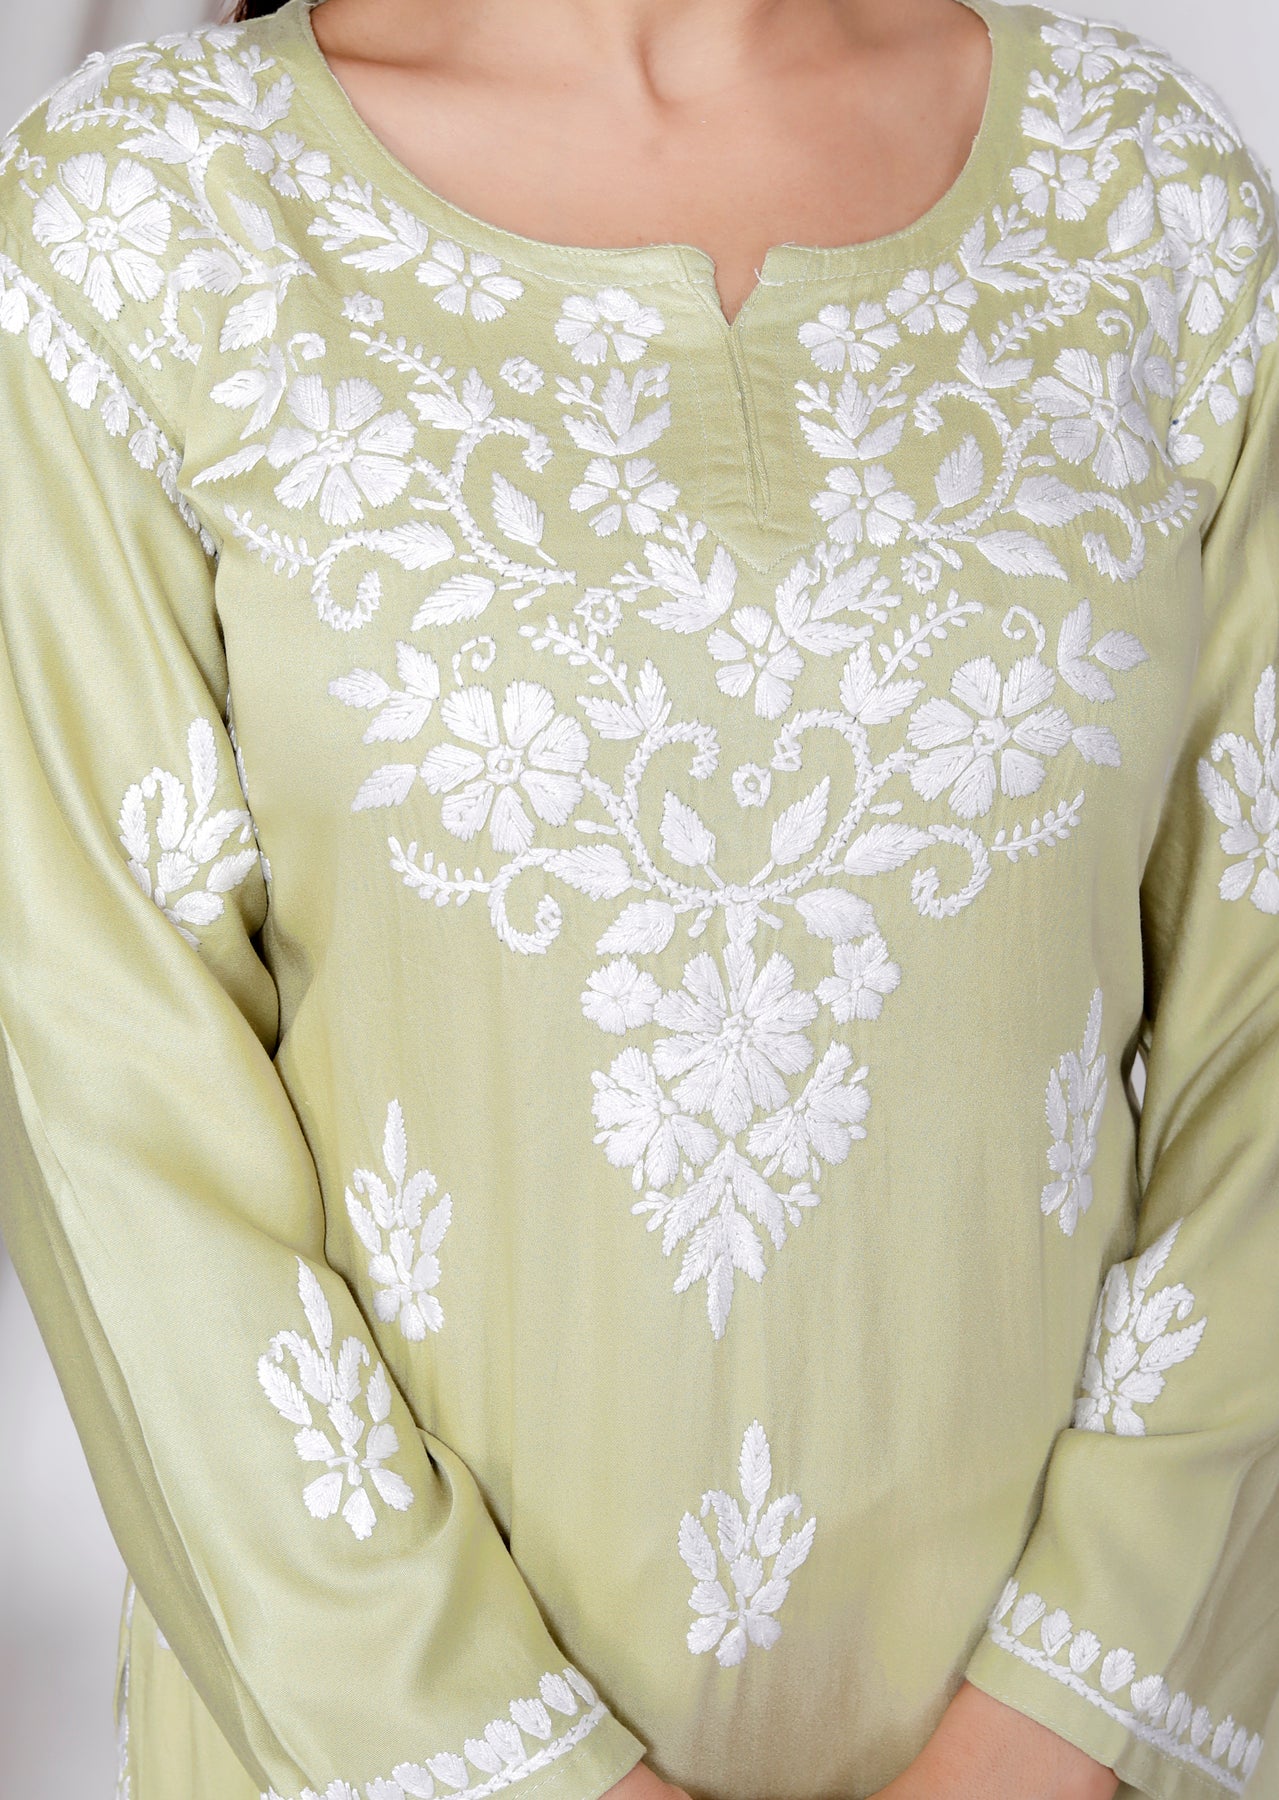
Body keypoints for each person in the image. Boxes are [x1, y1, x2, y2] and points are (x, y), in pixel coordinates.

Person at [0, 0, 1275, 1795]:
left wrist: (1048, 1738)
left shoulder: (1150, 204)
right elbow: (107, 1109)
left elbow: (1259, 1048)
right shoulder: (145, 219)